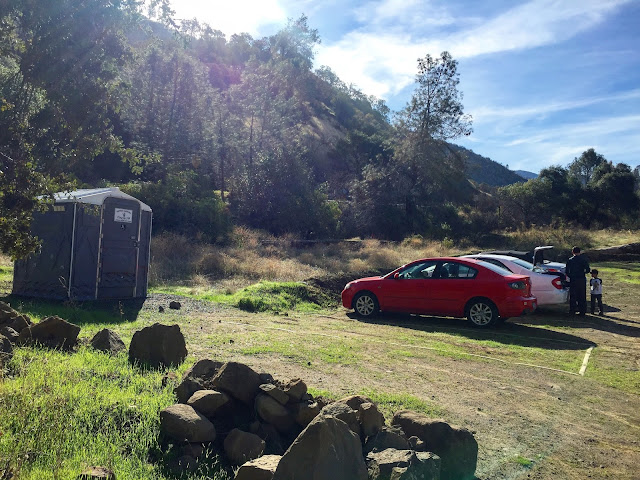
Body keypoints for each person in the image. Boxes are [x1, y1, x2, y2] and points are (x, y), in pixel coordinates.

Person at [565, 246, 590, 316]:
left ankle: (572, 310)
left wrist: (571, 276)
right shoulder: (583, 260)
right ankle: (582, 311)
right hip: (581, 279)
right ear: (580, 252)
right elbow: (588, 270)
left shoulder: (570, 260)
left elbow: (567, 271)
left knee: (573, 295)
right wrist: (583, 273)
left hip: (573, 279)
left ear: (572, 252)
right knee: (582, 295)